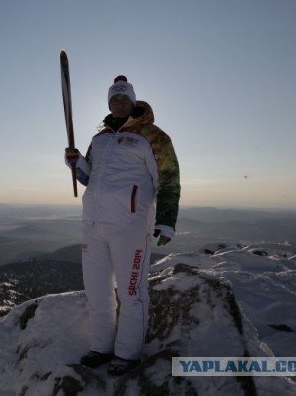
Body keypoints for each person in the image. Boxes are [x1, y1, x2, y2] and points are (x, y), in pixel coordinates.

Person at [64, 75, 180, 375]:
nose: (118, 104)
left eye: (123, 99)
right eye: (113, 100)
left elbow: (168, 180)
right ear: (109, 103)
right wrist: (76, 163)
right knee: (98, 291)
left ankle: (127, 353)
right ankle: (101, 347)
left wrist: (166, 222)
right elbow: (90, 178)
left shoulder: (153, 136)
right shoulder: (99, 139)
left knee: (132, 291)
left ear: (132, 101)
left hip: (130, 226)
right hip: (93, 224)